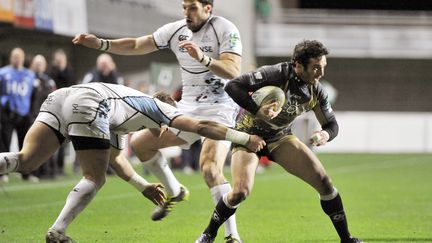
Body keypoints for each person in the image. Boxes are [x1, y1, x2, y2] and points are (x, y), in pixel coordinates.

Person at [0, 82, 265, 242]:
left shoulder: (122, 118)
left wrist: (142, 186)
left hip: (62, 96)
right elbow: (201, 125)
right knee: (94, 176)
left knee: (25, 161)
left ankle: (57, 229)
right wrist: (242, 136)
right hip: (91, 102)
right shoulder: (160, 109)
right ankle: (57, 231)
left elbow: (116, 158)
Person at [72, 1, 244, 241]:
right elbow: (136, 44)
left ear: (208, 8)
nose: (186, 13)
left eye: (192, 7)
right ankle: (176, 190)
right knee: (142, 144)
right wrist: (101, 44)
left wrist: (203, 58)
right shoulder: (175, 30)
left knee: (209, 167)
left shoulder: (225, 29)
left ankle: (231, 236)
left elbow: (233, 70)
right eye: (184, 7)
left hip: (221, 108)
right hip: (188, 107)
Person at [195, 40, 363, 243]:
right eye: (316, 68)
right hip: (248, 137)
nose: (320, 74)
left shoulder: (316, 91)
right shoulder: (275, 74)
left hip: (279, 137)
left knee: (324, 183)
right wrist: (257, 110)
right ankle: (208, 234)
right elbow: (233, 85)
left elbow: (332, 125)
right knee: (239, 192)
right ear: (298, 65)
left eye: (323, 67)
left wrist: (324, 135)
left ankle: (347, 239)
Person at [0, 47, 36, 183]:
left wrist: (31, 112)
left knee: (26, 144)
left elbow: (33, 95)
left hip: (24, 113)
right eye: (14, 56)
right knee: (5, 144)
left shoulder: (30, 75)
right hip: (7, 113)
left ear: (23, 58)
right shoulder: (3, 73)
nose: (16, 59)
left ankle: (25, 172)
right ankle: (3, 173)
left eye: (19, 56)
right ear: (10, 58)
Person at [48, 49, 76, 176]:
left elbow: (71, 85)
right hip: (54, 108)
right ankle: (52, 168)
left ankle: (60, 167)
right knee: (52, 140)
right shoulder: (52, 71)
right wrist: (58, 68)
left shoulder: (69, 71)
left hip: (66, 108)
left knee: (64, 141)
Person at [29, 55, 57, 179]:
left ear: (45, 66)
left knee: (47, 145)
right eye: (36, 63)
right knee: (33, 145)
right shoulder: (28, 79)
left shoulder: (49, 81)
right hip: (32, 116)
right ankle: (33, 172)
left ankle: (48, 171)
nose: (38, 66)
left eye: (41, 63)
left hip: (47, 117)